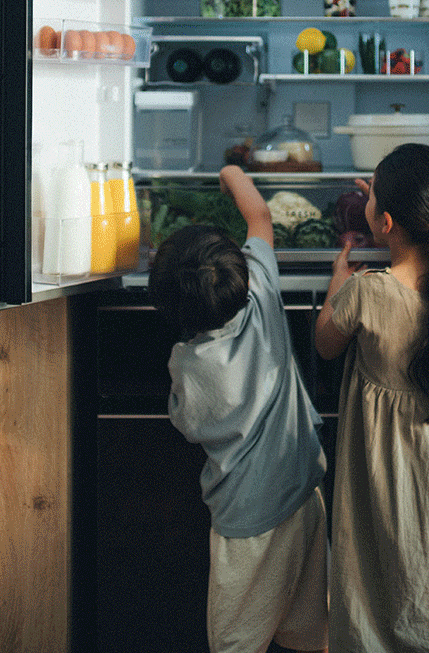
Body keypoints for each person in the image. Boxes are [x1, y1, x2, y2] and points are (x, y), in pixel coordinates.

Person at [314, 144, 429, 653]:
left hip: (385, 467)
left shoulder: (366, 292)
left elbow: (326, 344)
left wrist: (336, 281)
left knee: (385, 568)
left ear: (387, 222)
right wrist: (393, 209)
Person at [149, 164, 329, 653]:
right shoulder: (263, 296)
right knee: (313, 631)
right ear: (241, 276)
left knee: (237, 639)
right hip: (303, 494)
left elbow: (186, 423)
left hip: (246, 520)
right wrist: (229, 171)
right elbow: (260, 216)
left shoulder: (188, 363)